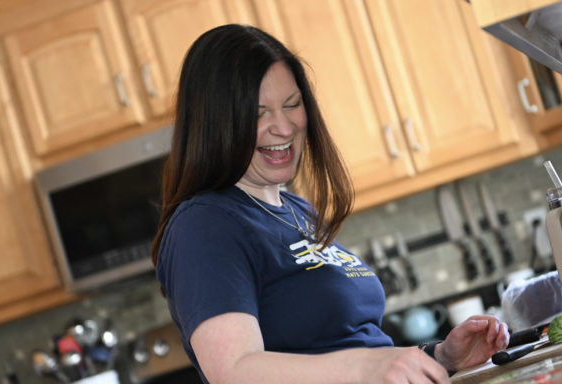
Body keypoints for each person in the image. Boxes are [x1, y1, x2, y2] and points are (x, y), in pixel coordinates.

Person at [152, 24, 510, 384]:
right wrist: (366, 368)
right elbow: (235, 371)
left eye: (292, 105)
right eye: (259, 113)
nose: (284, 127)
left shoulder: (296, 210)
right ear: (215, 124)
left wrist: (440, 356)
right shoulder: (203, 226)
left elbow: (348, 346)